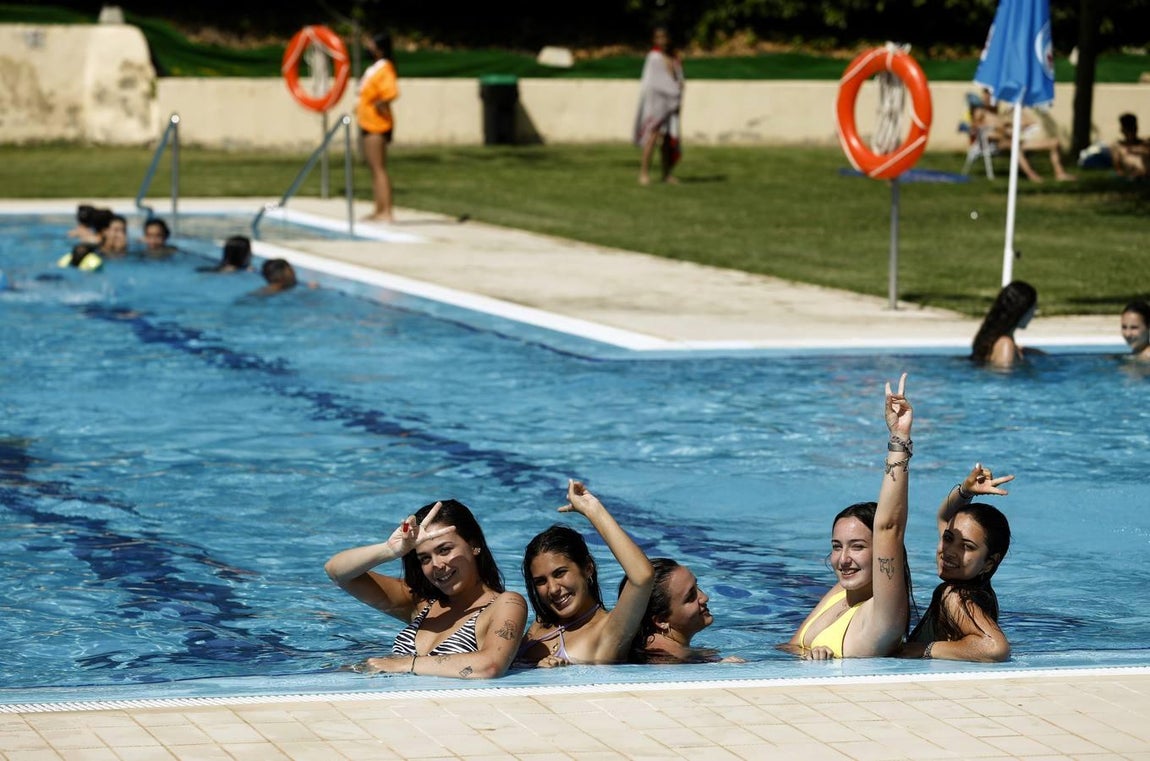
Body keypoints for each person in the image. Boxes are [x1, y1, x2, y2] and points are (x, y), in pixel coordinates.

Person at [782, 373, 913, 660]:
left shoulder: (882, 616)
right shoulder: (843, 591)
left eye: (858, 546)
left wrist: (899, 439)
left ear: (882, 552)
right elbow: (789, 647)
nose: (843, 559)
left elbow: (889, 526)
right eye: (837, 546)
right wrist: (806, 657)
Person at [324, 499, 527, 679]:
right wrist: (390, 550)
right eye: (425, 558)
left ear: (474, 546)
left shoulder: (506, 604)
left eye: (444, 550)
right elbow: (336, 572)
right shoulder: (420, 603)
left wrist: (404, 664)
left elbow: (490, 666)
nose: (436, 565)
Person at [517, 479, 654, 666]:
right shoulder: (540, 624)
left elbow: (642, 576)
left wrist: (593, 510)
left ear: (588, 568)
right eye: (541, 581)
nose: (553, 589)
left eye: (560, 573)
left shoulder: (608, 631)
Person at [899, 463, 1013, 662]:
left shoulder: (954, 596)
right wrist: (965, 491)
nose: (949, 551)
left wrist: (924, 649)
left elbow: (995, 648)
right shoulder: (980, 590)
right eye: (948, 538)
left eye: (967, 546)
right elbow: (944, 517)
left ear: (989, 563)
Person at [618, 558, 742, 664]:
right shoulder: (668, 659)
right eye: (690, 597)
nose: (705, 597)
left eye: (697, 587)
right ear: (661, 620)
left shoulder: (648, 645)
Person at [974, 89, 1074, 182]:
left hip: (1018, 141)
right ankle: (1032, 175)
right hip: (999, 144)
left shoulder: (1001, 113)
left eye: (992, 95)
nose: (990, 98)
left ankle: (1060, 173)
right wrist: (1000, 129)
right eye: (987, 95)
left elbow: (1027, 123)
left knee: (1054, 143)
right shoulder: (981, 113)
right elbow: (977, 130)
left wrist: (1011, 125)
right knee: (1015, 147)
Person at [356, 31, 399, 222]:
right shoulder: (374, 69)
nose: (368, 48)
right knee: (373, 167)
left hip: (377, 124)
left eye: (371, 44)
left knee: (379, 167)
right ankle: (378, 208)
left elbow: (391, 93)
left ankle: (387, 211)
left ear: (380, 49)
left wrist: (379, 105)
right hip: (367, 121)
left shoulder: (385, 68)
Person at [633, 27, 684, 186]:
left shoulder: (674, 57)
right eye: (658, 37)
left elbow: (678, 79)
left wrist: (678, 94)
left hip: (671, 105)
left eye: (664, 37)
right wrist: (674, 91)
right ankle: (644, 173)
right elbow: (654, 84)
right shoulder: (653, 58)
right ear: (654, 40)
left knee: (667, 141)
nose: (662, 41)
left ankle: (666, 174)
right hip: (657, 104)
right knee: (652, 138)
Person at [970, 280, 1040, 368]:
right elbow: (1004, 375)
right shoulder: (1005, 344)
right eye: (1034, 308)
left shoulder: (995, 339)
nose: (1034, 314)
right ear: (1021, 311)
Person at [1111, 113, 1148, 178]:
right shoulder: (1118, 147)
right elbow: (1118, 166)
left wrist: (1139, 151)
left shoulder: (1145, 144)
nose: (1131, 132)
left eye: (1132, 129)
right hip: (1133, 173)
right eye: (1128, 129)